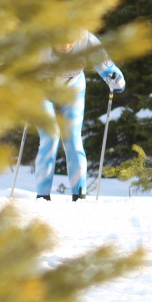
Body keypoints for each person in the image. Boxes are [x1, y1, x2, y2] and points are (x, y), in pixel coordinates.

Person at [35, 30, 125, 201]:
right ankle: (42, 196)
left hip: (73, 90)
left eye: (71, 42)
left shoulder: (87, 40)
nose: (66, 46)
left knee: (73, 139)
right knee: (50, 136)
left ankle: (79, 195)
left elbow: (107, 66)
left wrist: (115, 78)